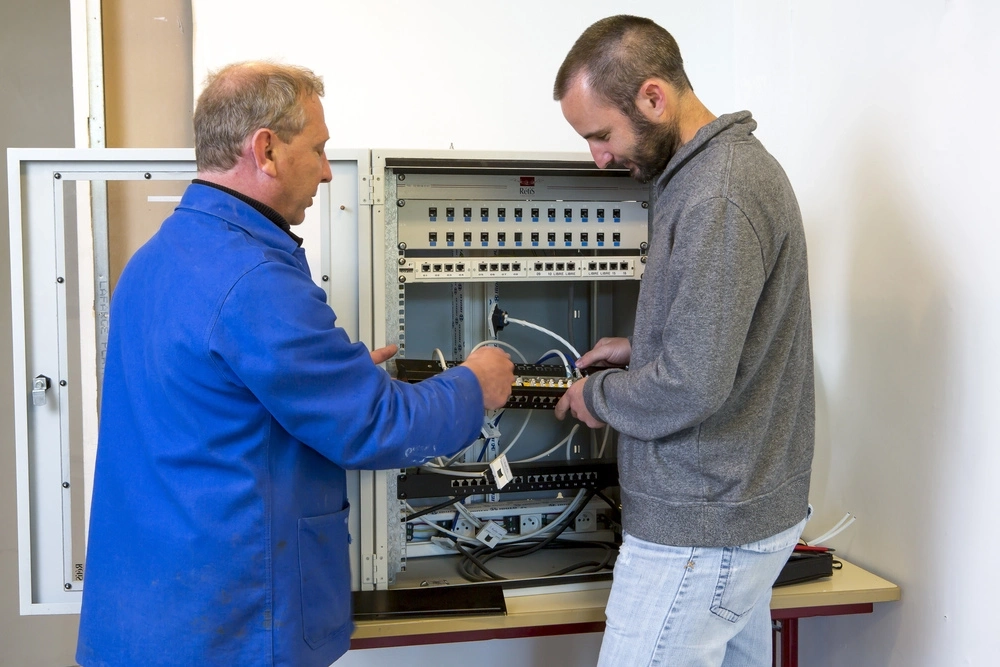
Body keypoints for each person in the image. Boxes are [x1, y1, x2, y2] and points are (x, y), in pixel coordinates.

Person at [76, 62, 514, 667]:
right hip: (230, 631)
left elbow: (219, 402)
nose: (329, 170)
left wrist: (335, 376)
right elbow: (375, 424)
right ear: (267, 150)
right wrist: (476, 385)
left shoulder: (157, 258)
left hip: (149, 618)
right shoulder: (254, 278)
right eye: (319, 148)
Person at [552, 16, 815, 667]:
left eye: (601, 135)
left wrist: (599, 395)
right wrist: (641, 349)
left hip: (701, 531)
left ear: (653, 97)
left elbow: (694, 383)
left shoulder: (718, 194)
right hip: (735, 519)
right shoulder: (706, 177)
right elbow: (727, 344)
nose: (600, 157)